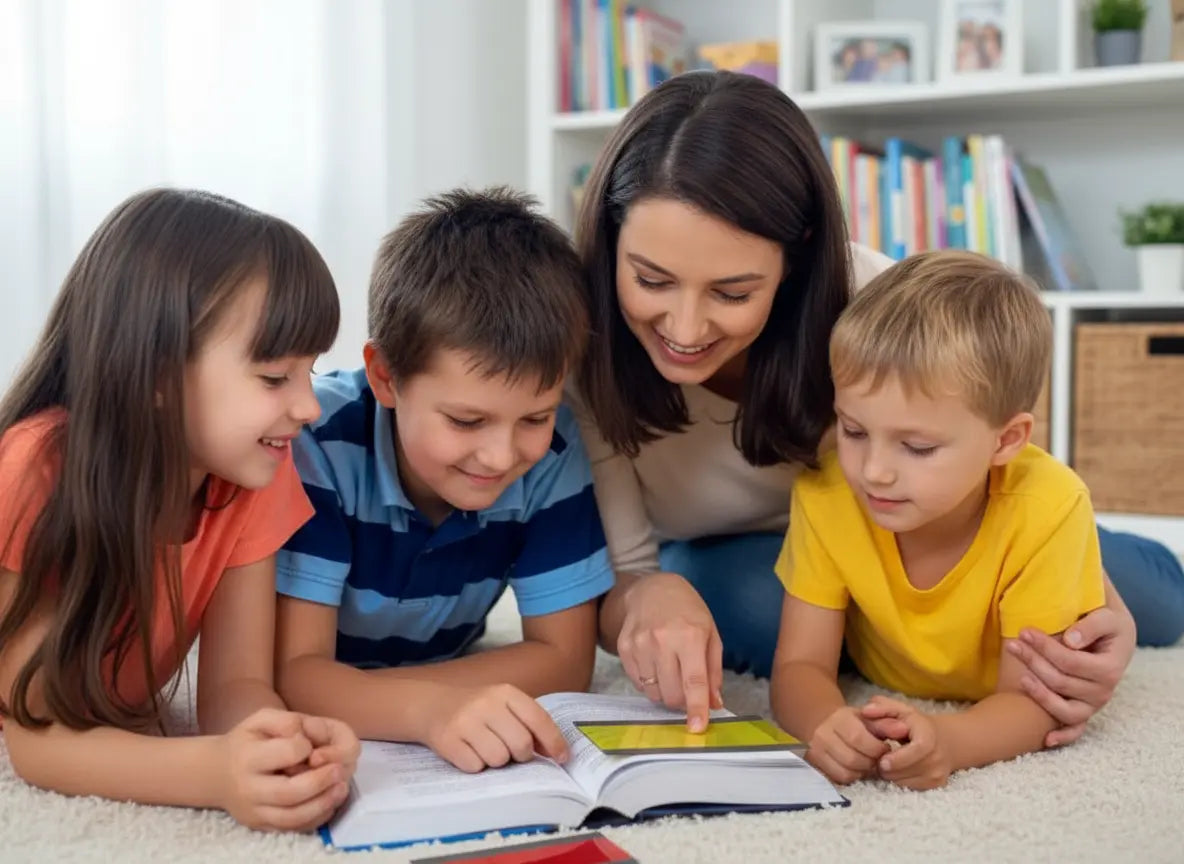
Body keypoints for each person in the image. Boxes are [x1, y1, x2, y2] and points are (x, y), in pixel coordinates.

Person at [574, 69, 1176, 742]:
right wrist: (646, 598)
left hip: (936, 532)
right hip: (760, 558)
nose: (685, 330)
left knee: (1143, 604)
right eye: (652, 280)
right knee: (744, 604)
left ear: (795, 260)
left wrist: (1100, 604)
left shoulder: (869, 296)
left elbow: (994, 458)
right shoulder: (583, 345)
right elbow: (619, 576)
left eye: (733, 292)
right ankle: (892, 642)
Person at [0, 188, 359, 832]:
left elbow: (232, 689)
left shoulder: (256, 472)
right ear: (159, 376)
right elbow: (37, 738)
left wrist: (277, 748)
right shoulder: (39, 469)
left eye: (311, 372)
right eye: (276, 378)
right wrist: (214, 775)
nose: (308, 408)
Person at [274, 188, 615, 773]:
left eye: (533, 416)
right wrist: (427, 709)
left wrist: (366, 694)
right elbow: (295, 673)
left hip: (403, 669)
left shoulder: (553, 445)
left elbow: (564, 661)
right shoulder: (316, 445)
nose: (502, 455)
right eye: (466, 420)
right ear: (385, 377)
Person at [771, 251, 1104, 789]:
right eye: (853, 431)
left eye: (918, 447)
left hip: (1043, 527)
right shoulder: (827, 492)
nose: (874, 472)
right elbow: (798, 667)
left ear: (1007, 440)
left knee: (1159, 604)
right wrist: (823, 725)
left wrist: (950, 742)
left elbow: (1034, 701)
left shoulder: (1050, 506)